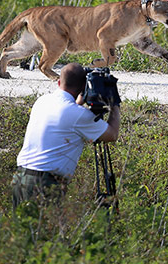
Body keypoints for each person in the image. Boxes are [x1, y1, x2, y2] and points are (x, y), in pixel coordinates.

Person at [12, 63, 121, 209]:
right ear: (84, 86)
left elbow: (68, 114)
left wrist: (81, 98)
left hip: (21, 178)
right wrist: (115, 104)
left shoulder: (42, 101)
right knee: (45, 230)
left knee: (22, 230)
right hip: (45, 183)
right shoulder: (78, 115)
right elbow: (112, 134)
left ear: (58, 82)